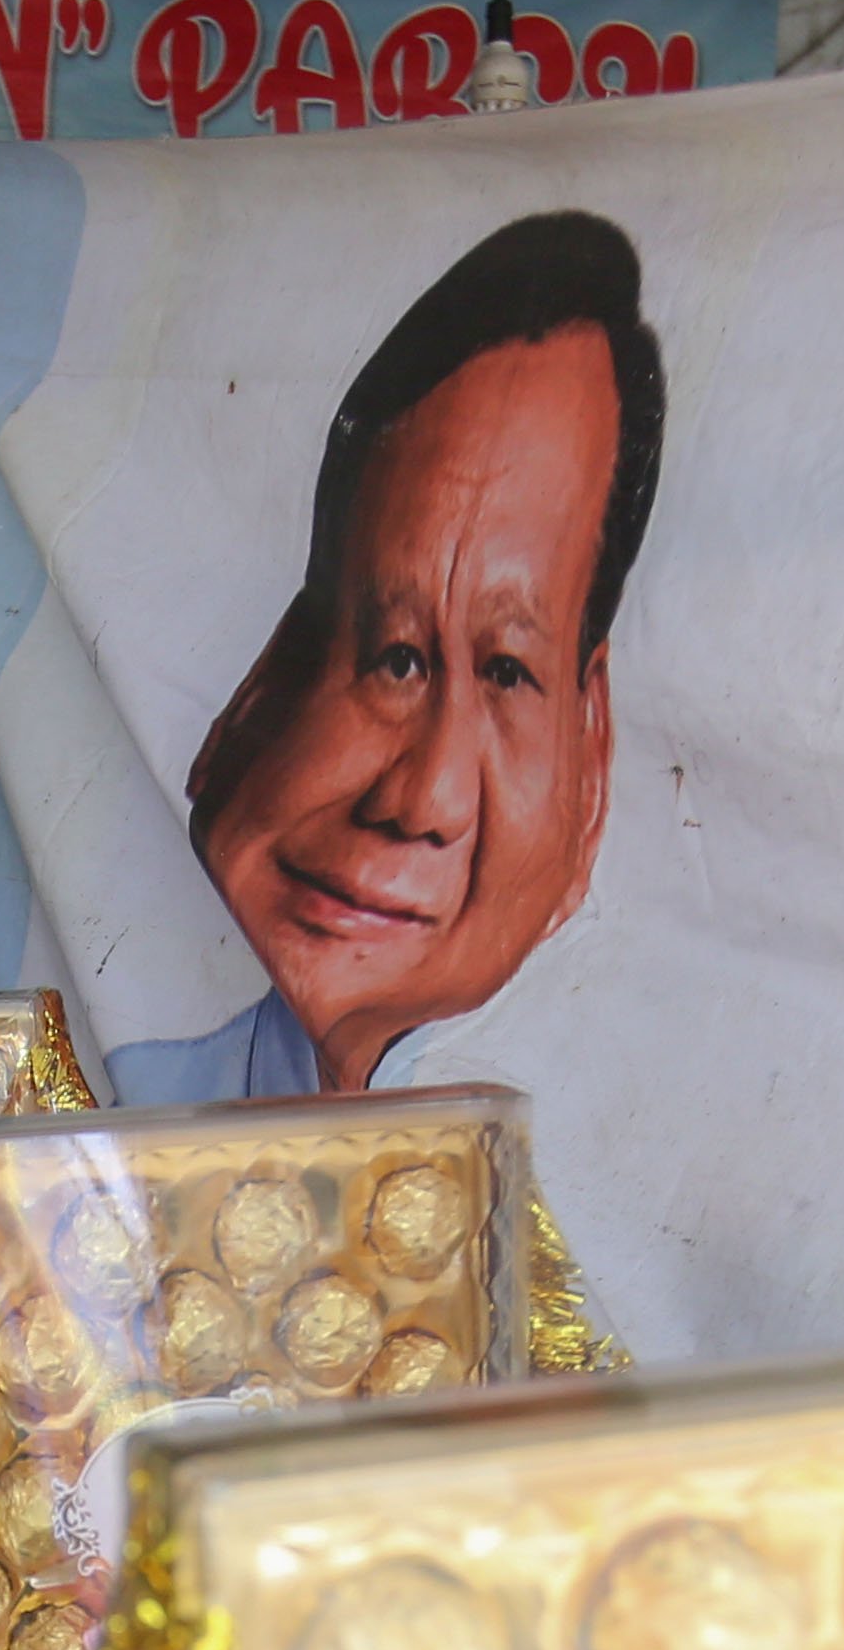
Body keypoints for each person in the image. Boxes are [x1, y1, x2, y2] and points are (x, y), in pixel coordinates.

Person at [118, 210, 664, 1102]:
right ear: (259, 695)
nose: (422, 800)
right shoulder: (80, 1121)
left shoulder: (627, 1182)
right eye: (398, 660)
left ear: (590, 767)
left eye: (507, 671)